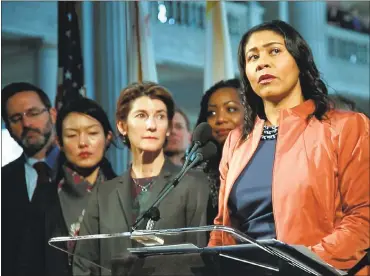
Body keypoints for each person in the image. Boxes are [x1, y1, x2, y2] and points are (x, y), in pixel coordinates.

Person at [208, 20, 369, 275]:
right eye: (253, 57)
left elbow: (363, 217)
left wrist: (299, 265)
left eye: (274, 51)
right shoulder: (236, 141)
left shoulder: (346, 127)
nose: (262, 62)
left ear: (299, 61)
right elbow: (222, 229)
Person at [73, 82, 209, 275]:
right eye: (141, 116)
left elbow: (200, 260)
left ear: (168, 127)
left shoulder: (193, 184)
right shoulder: (103, 194)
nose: (151, 125)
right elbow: (83, 264)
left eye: (160, 116)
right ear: (122, 126)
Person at [45, 98, 117, 276]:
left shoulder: (126, 194)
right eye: (71, 135)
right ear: (59, 143)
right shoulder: (44, 198)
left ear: (108, 137)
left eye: (92, 133)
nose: (83, 142)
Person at [1, 82, 59, 276]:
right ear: (8, 129)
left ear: (52, 114)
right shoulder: (3, 182)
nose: (26, 124)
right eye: (16, 118)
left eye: (33, 113)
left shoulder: (84, 171)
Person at [194, 78, 244, 226]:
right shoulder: (199, 171)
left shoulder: (265, 160)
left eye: (231, 109)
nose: (220, 119)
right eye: (212, 113)